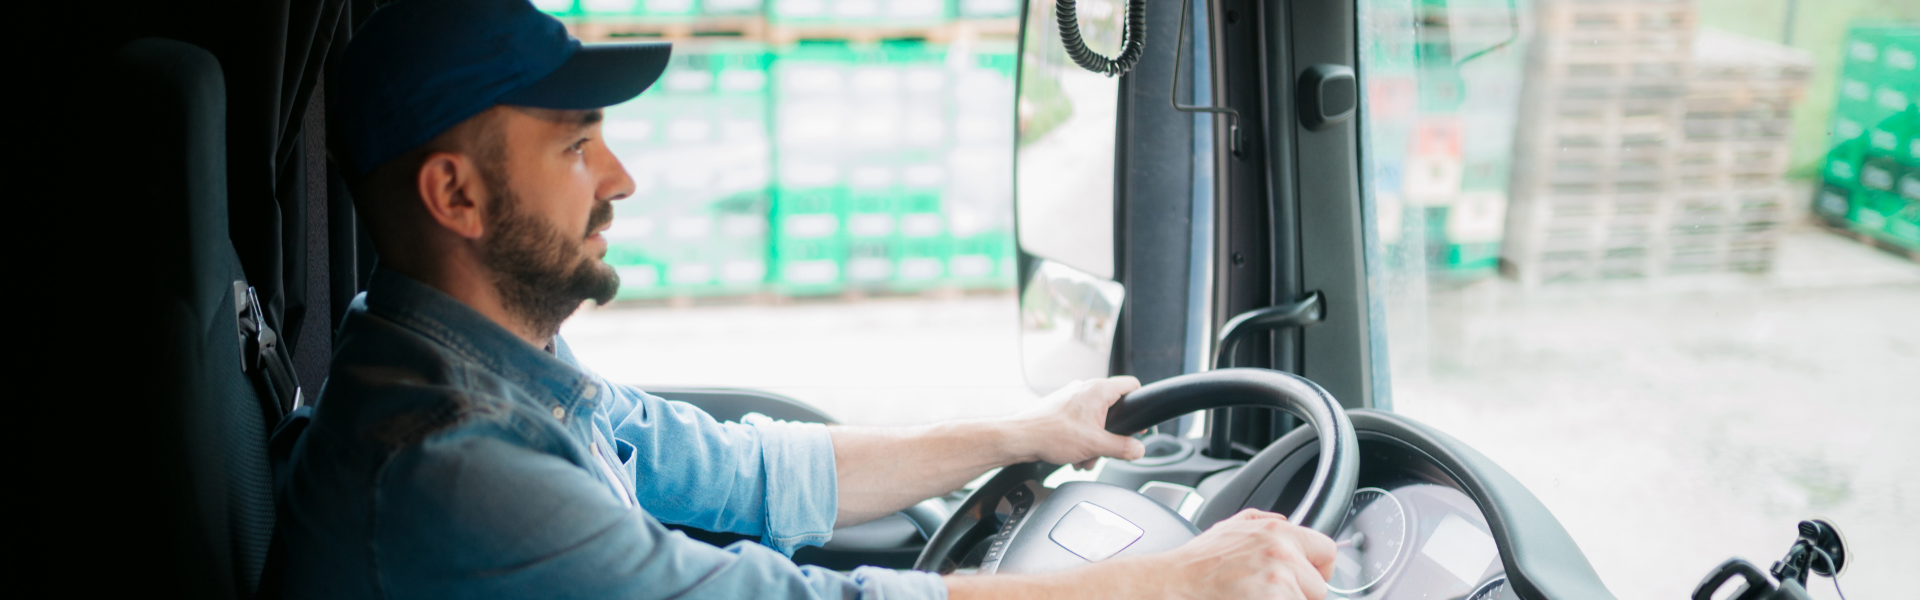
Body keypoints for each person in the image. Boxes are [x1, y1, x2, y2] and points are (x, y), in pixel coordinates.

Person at [279, 0, 1337, 597]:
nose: (619, 180)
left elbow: (746, 466)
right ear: (454, 194)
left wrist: (1029, 430)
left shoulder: (490, 375)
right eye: (576, 146)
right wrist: (1182, 581)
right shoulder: (449, 462)